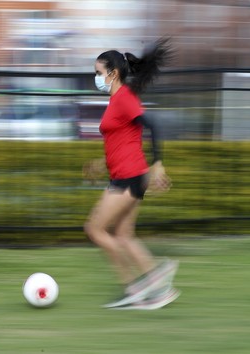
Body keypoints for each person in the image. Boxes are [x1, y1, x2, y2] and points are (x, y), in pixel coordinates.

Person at [83, 38, 179, 310]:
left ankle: (135, 287)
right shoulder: (117, 101)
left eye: (99, 73)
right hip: (129, 175)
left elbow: (154, 124)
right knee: (124, 235)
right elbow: (122, 140)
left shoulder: (124, 98)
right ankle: (160, 290)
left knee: (95, 229)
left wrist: (158, 163)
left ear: (113, 73)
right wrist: (102, 163)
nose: (96, 78)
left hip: (128, 177)